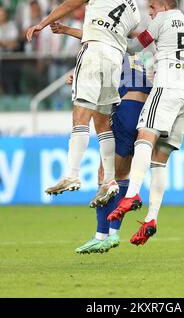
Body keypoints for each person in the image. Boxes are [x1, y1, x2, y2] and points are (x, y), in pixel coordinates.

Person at [47, 21, 174, 254]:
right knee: (123, 174)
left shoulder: (116, 47)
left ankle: (101, 234)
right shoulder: (149, 50)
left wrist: (66, 33)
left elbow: (92, 38)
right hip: (147, 114)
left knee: (106, 174)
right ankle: (113, 234)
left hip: (126, 110)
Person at [26, 0, 151, 206]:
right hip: (115, 59)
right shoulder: (135, 13)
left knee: (81, 116)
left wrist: (43, 23)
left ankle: (71, 173)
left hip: (93, 51)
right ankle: (110, 180)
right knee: (102, 122)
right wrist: (66, 30)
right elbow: (124, 40)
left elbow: (73, 2)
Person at [108, 0, 184, 246]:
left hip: (167, 89)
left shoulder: (163, 20)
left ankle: (132, 195)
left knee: (144, 136)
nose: (150, 12)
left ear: (165, 6)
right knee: (160, 160)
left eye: (152, 7)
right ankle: (151, 219)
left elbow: (134, 47)